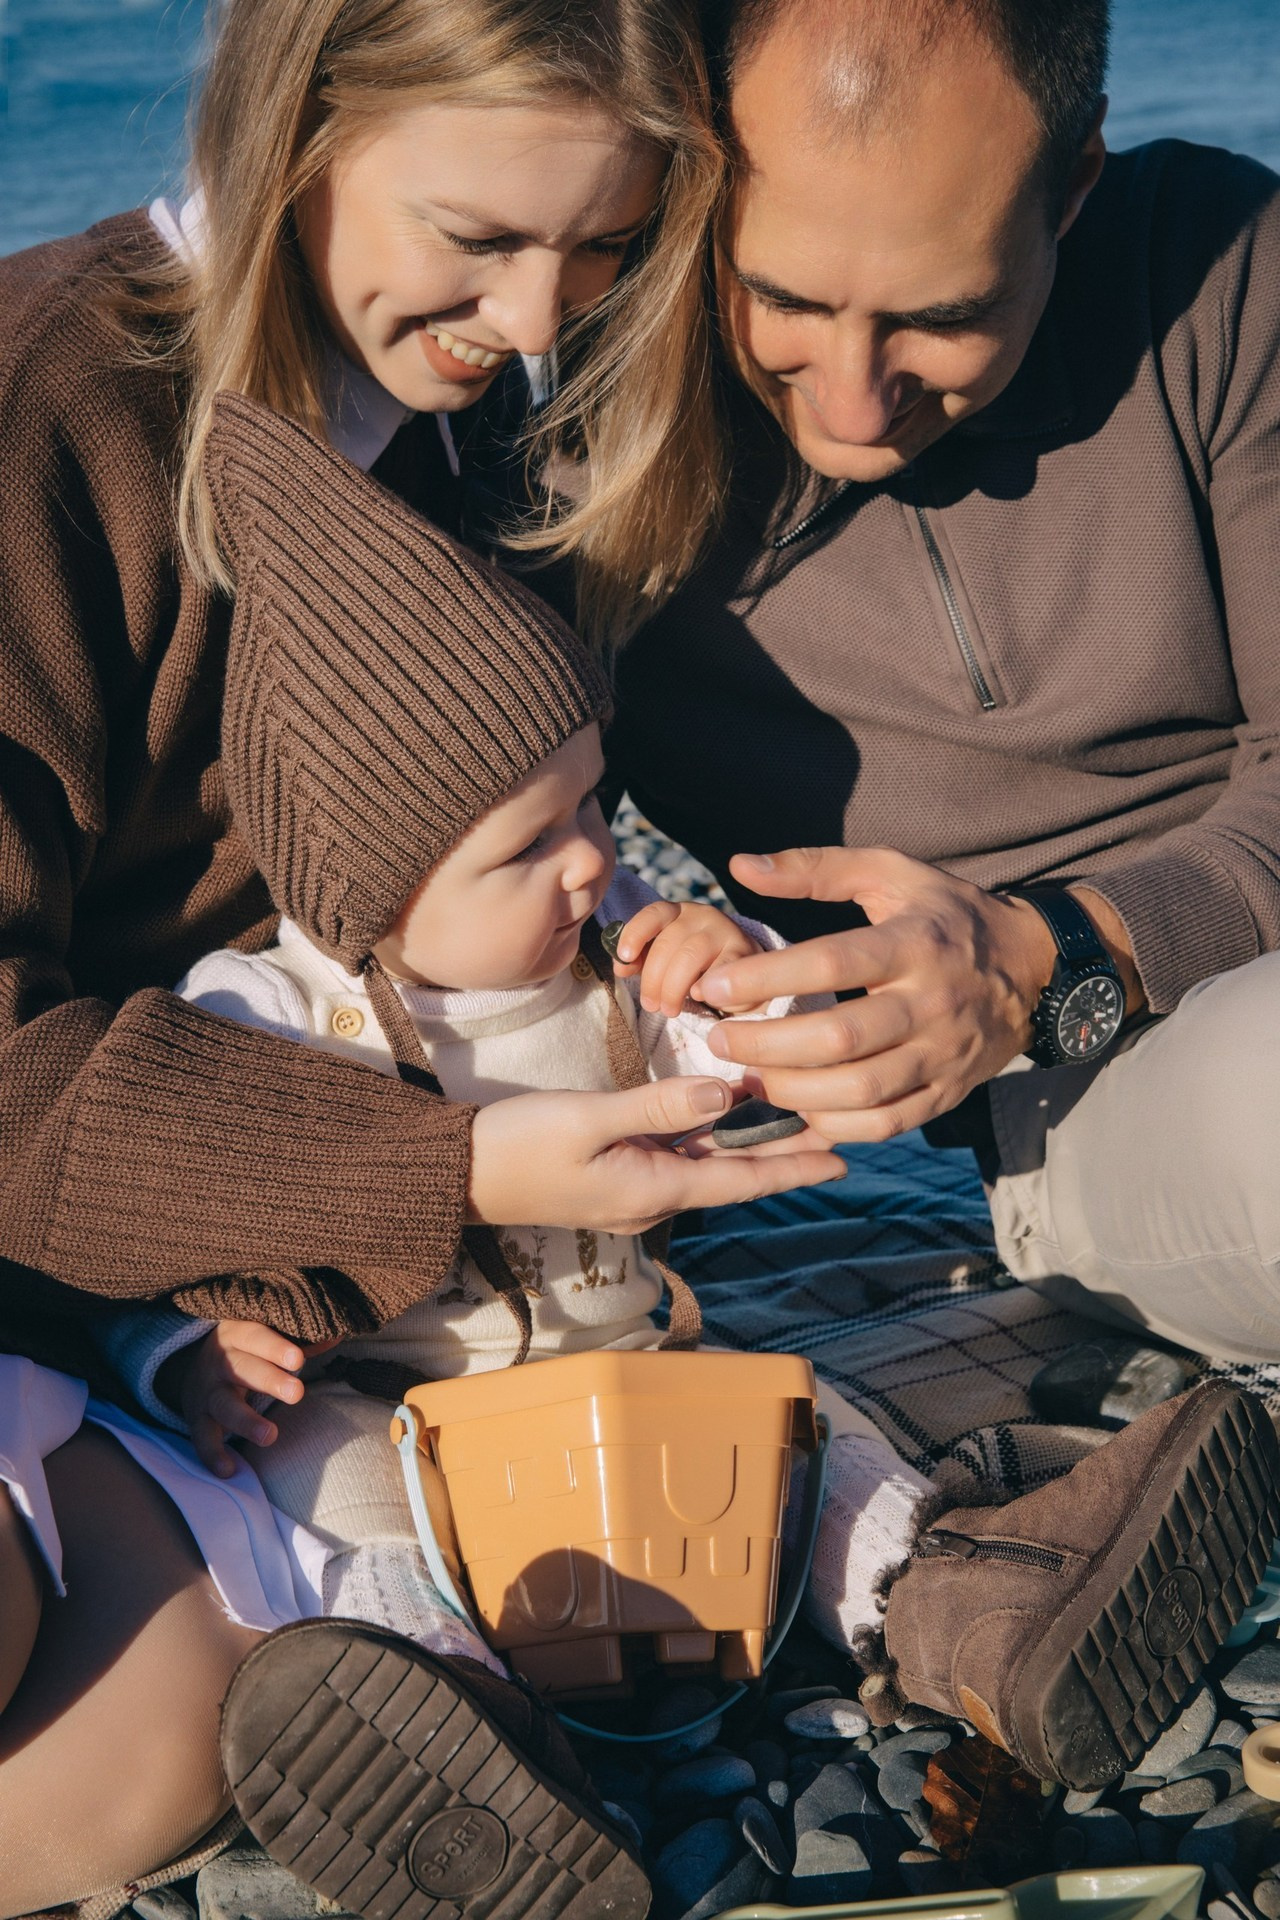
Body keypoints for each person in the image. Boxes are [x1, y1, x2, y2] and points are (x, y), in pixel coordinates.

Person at [108, 394, 1280, 1920]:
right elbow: (176, 1197)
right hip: (402, 1408)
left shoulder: (607, 971)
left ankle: (974, 1614)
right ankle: (464, 1758)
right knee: (338, 1525)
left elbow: (733, 1070)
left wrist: (722, 987)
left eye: (594, 800)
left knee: (819, 1438)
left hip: (635, 1389)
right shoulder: (272, 1014)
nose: (596, 855)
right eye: (531, 847)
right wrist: (179, 1348)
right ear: (365, 890)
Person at [0, 1, 826, 1909]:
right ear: (298, 129)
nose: (541, 321)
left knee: (148, 1767)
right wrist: (450, 1168)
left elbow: (513, 863)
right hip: (89, 1230)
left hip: (193, 1285)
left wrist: (680, 968)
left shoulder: (458, 428)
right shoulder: (52, 417)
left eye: (607, 246)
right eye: (477, 238)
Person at [603, 0, 1280, 1722]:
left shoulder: (1218, 263)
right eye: (788, 300)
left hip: (1097, 976)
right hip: (1104, 1115)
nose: (853, 387)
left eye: (945, 315)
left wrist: (1050, 952)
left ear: (1070, 193)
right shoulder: (587, 437)